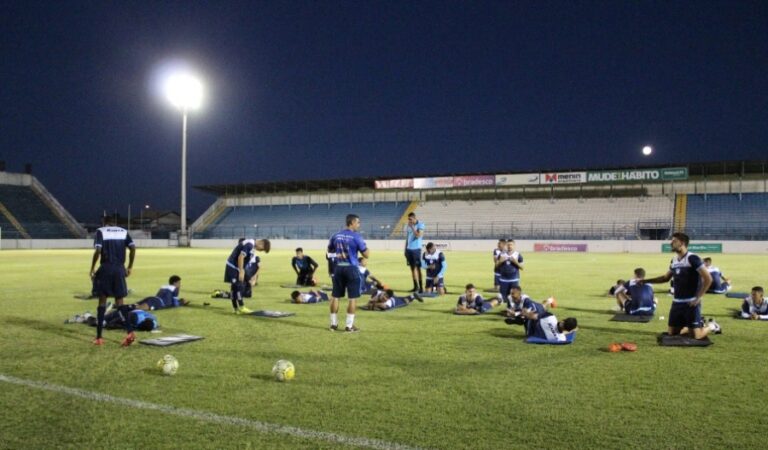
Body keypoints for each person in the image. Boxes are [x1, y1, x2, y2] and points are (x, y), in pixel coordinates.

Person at [644, 232, 721, 339]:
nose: (671, 243)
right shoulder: (674, 260)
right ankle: (694, 324)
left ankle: (712, 326)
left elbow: (708, 278)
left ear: (682, 243)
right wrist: (644, 281)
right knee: (672, 334)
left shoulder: (692, 258)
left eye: (674, 241)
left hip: (691, 302)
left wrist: (698, 298)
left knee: (696, 336)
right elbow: (665, 278)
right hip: (677, 302)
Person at [89, 216, 136, 346]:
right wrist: (130, 266)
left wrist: (92, 268)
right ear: (115, 223)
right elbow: (133, 248)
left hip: (106, 268)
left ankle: (99, 337)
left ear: (104, 223)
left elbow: (98, 250)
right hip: (120, 269)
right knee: (120, 302)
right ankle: (130, 332)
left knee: (102, 301)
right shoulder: (123, 231)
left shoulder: (101, 231)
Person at [327, 214, 369, 332]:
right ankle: (349, 326)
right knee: (352, 298)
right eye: (358, 222)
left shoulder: (335, 235)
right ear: (352, 223)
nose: (359, 225)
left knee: (335, 297)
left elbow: (330, 252)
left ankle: (333, 325)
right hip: (351, 268)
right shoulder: (356, 236)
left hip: (338, 268)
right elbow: (366, 254)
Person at [224, 238, 271, 314]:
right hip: (233, 266)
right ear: (261, 243)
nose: (260, 251)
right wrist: (241, 270)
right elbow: (241, 257)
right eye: (262, 249)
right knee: (238, 286)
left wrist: (251, 276)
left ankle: (235, 309)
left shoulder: (252, 246)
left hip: (234, 266)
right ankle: (241, 307)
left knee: (234, 287)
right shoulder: (250, 244)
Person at [404, 212, 425, 292]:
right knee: (412, 269)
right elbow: (408, 238)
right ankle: (415, 287)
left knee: (418, 269)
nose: (409, 221)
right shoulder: (409, 226)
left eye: (410, 219)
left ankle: (421, 288)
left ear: (414, 218)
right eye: (408, 219)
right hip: (409, 250)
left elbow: (418, 235)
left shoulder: (420, 225)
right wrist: (405, 249)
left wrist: (412, 227)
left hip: (416, 250)